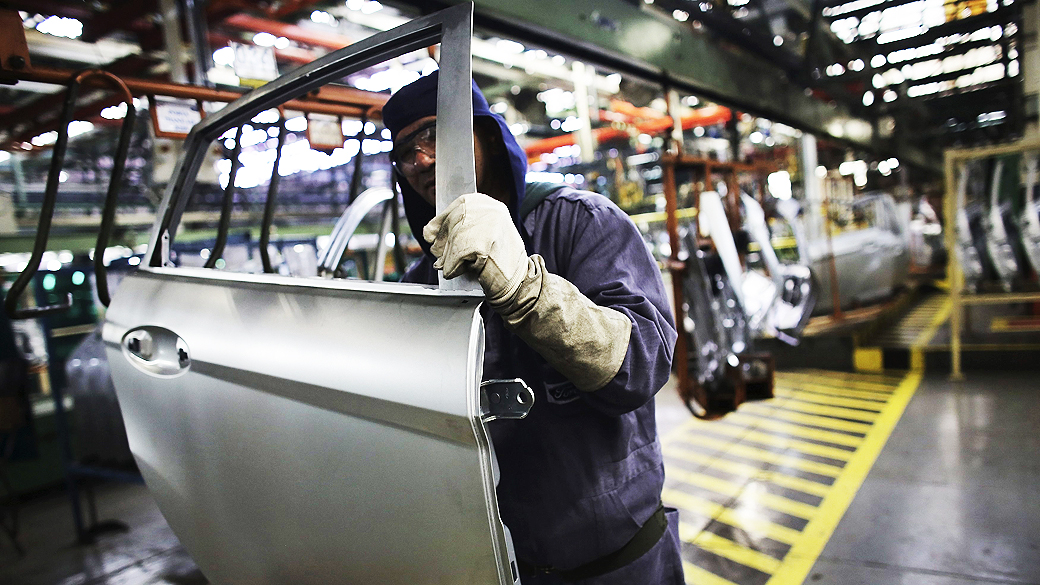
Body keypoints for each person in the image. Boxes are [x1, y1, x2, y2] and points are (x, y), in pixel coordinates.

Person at [382, 71, 682, 584]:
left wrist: (527, 290)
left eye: (433, 135)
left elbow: (641, 365)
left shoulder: (582, 223)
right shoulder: (426, 281)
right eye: (406, 151)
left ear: (485, 134)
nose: (421, 160)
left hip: (620, 564)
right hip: (502, 567)